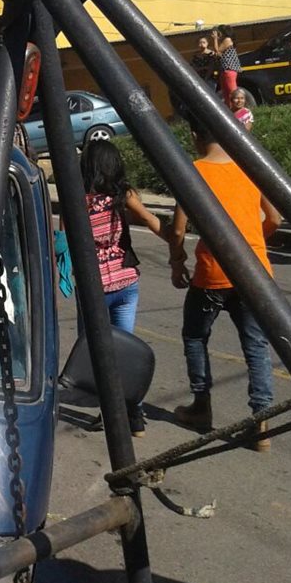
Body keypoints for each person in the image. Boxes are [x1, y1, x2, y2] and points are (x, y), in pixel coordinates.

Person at [170, 116, 282, 451]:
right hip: (254, 272)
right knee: (256, 346)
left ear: (194, 135)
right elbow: (275, 217)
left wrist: (178, 262)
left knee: (194, 335)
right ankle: (261, 423)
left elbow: (178, 230)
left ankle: (201, 406)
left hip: (213, 273)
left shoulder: (193, 172)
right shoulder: (249, 167)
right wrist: (248, 244)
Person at [77, 139, 169, 436]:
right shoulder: (124, 195)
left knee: (98, 354)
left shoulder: (80, 199)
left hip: (95, 289)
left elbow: (66, 240)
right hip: (127, 281)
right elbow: (152, 221)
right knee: (125, 352)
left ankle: (110, 414)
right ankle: (136, 416)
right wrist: (177, 247)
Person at [213, 25, 242, 109]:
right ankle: (230, 111)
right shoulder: (224, 41)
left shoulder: (227, 40)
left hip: (229, 70)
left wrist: (215, 39)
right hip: (224, 70)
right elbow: (218, 54)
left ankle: (238, 110)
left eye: (218, 32)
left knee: (233, 93)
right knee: (226, 94)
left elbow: (217, 50)